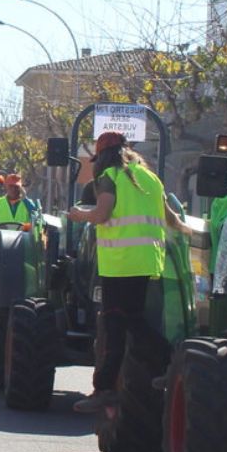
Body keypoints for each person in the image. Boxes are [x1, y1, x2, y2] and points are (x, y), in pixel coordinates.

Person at [65, 131, 189, 413]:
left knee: (113, 324)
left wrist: (79, 215)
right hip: (147, 261)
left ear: (103, 156)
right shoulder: (150, 178)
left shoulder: (109, 176)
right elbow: (172, 218)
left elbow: (102, 214)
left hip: (120, 262)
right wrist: (195, 236)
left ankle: (104, 388)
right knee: (133, 319)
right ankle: (171, 360)